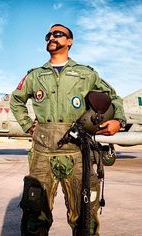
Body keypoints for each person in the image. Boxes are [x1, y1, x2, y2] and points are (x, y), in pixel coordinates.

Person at [10, 24, 126, 236]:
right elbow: (16, 100)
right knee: (34, 215)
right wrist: (28, 125)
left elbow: (113, 97)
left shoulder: (86, 74)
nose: (51, 37)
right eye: (48, 35)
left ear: (70, 41)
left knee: (85, 217)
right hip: (43, 153)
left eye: (57, 34)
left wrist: (118, 119)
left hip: (78, 151)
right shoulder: (35, 75)